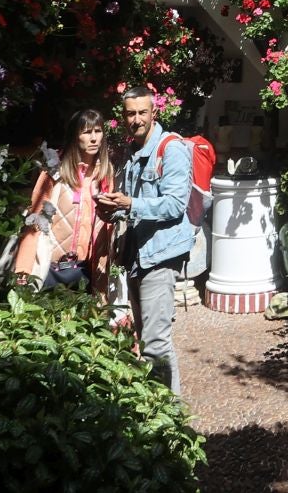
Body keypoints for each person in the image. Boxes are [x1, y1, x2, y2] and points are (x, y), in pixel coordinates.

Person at [94, 88, 192, 396]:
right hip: (137, 257)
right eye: (130, 113)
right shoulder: (133, 151)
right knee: (146, 339)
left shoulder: (171, 148)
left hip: (160, 257)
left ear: (154, 113)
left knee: (156, 344)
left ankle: (169, 422)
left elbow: (176, 204)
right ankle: (158, 414)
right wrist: (111, 210)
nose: (136, 119)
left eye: (142, 112)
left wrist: (130, 205)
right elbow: (131, 204)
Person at [11, 110, 116, 298]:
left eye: (98, 131)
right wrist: (23, 270)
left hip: (86, 272)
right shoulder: (54, 172)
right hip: (50, 269)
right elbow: (34, 220)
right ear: (75, 136)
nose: (93, 138)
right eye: (86, 132)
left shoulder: (105, 176)